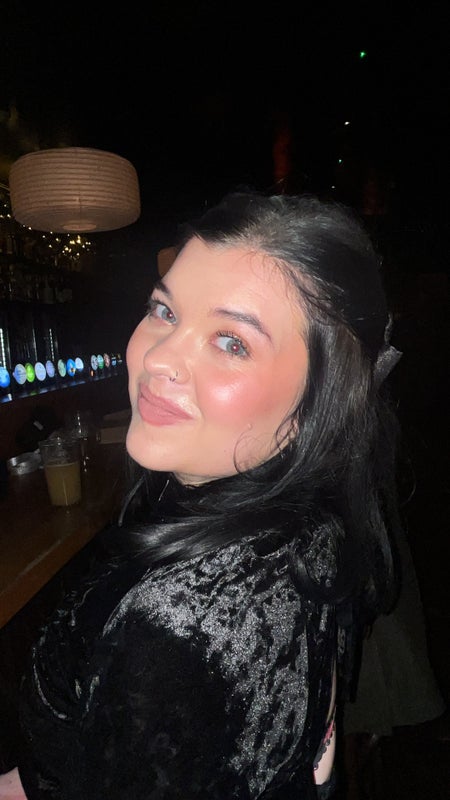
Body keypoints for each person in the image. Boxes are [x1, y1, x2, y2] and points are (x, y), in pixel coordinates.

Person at [0, 190, 404, 799]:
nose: (159, 358)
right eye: (164, 311)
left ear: (317, 406)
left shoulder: (179, 631)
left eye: (231, 342)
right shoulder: (313, 522)